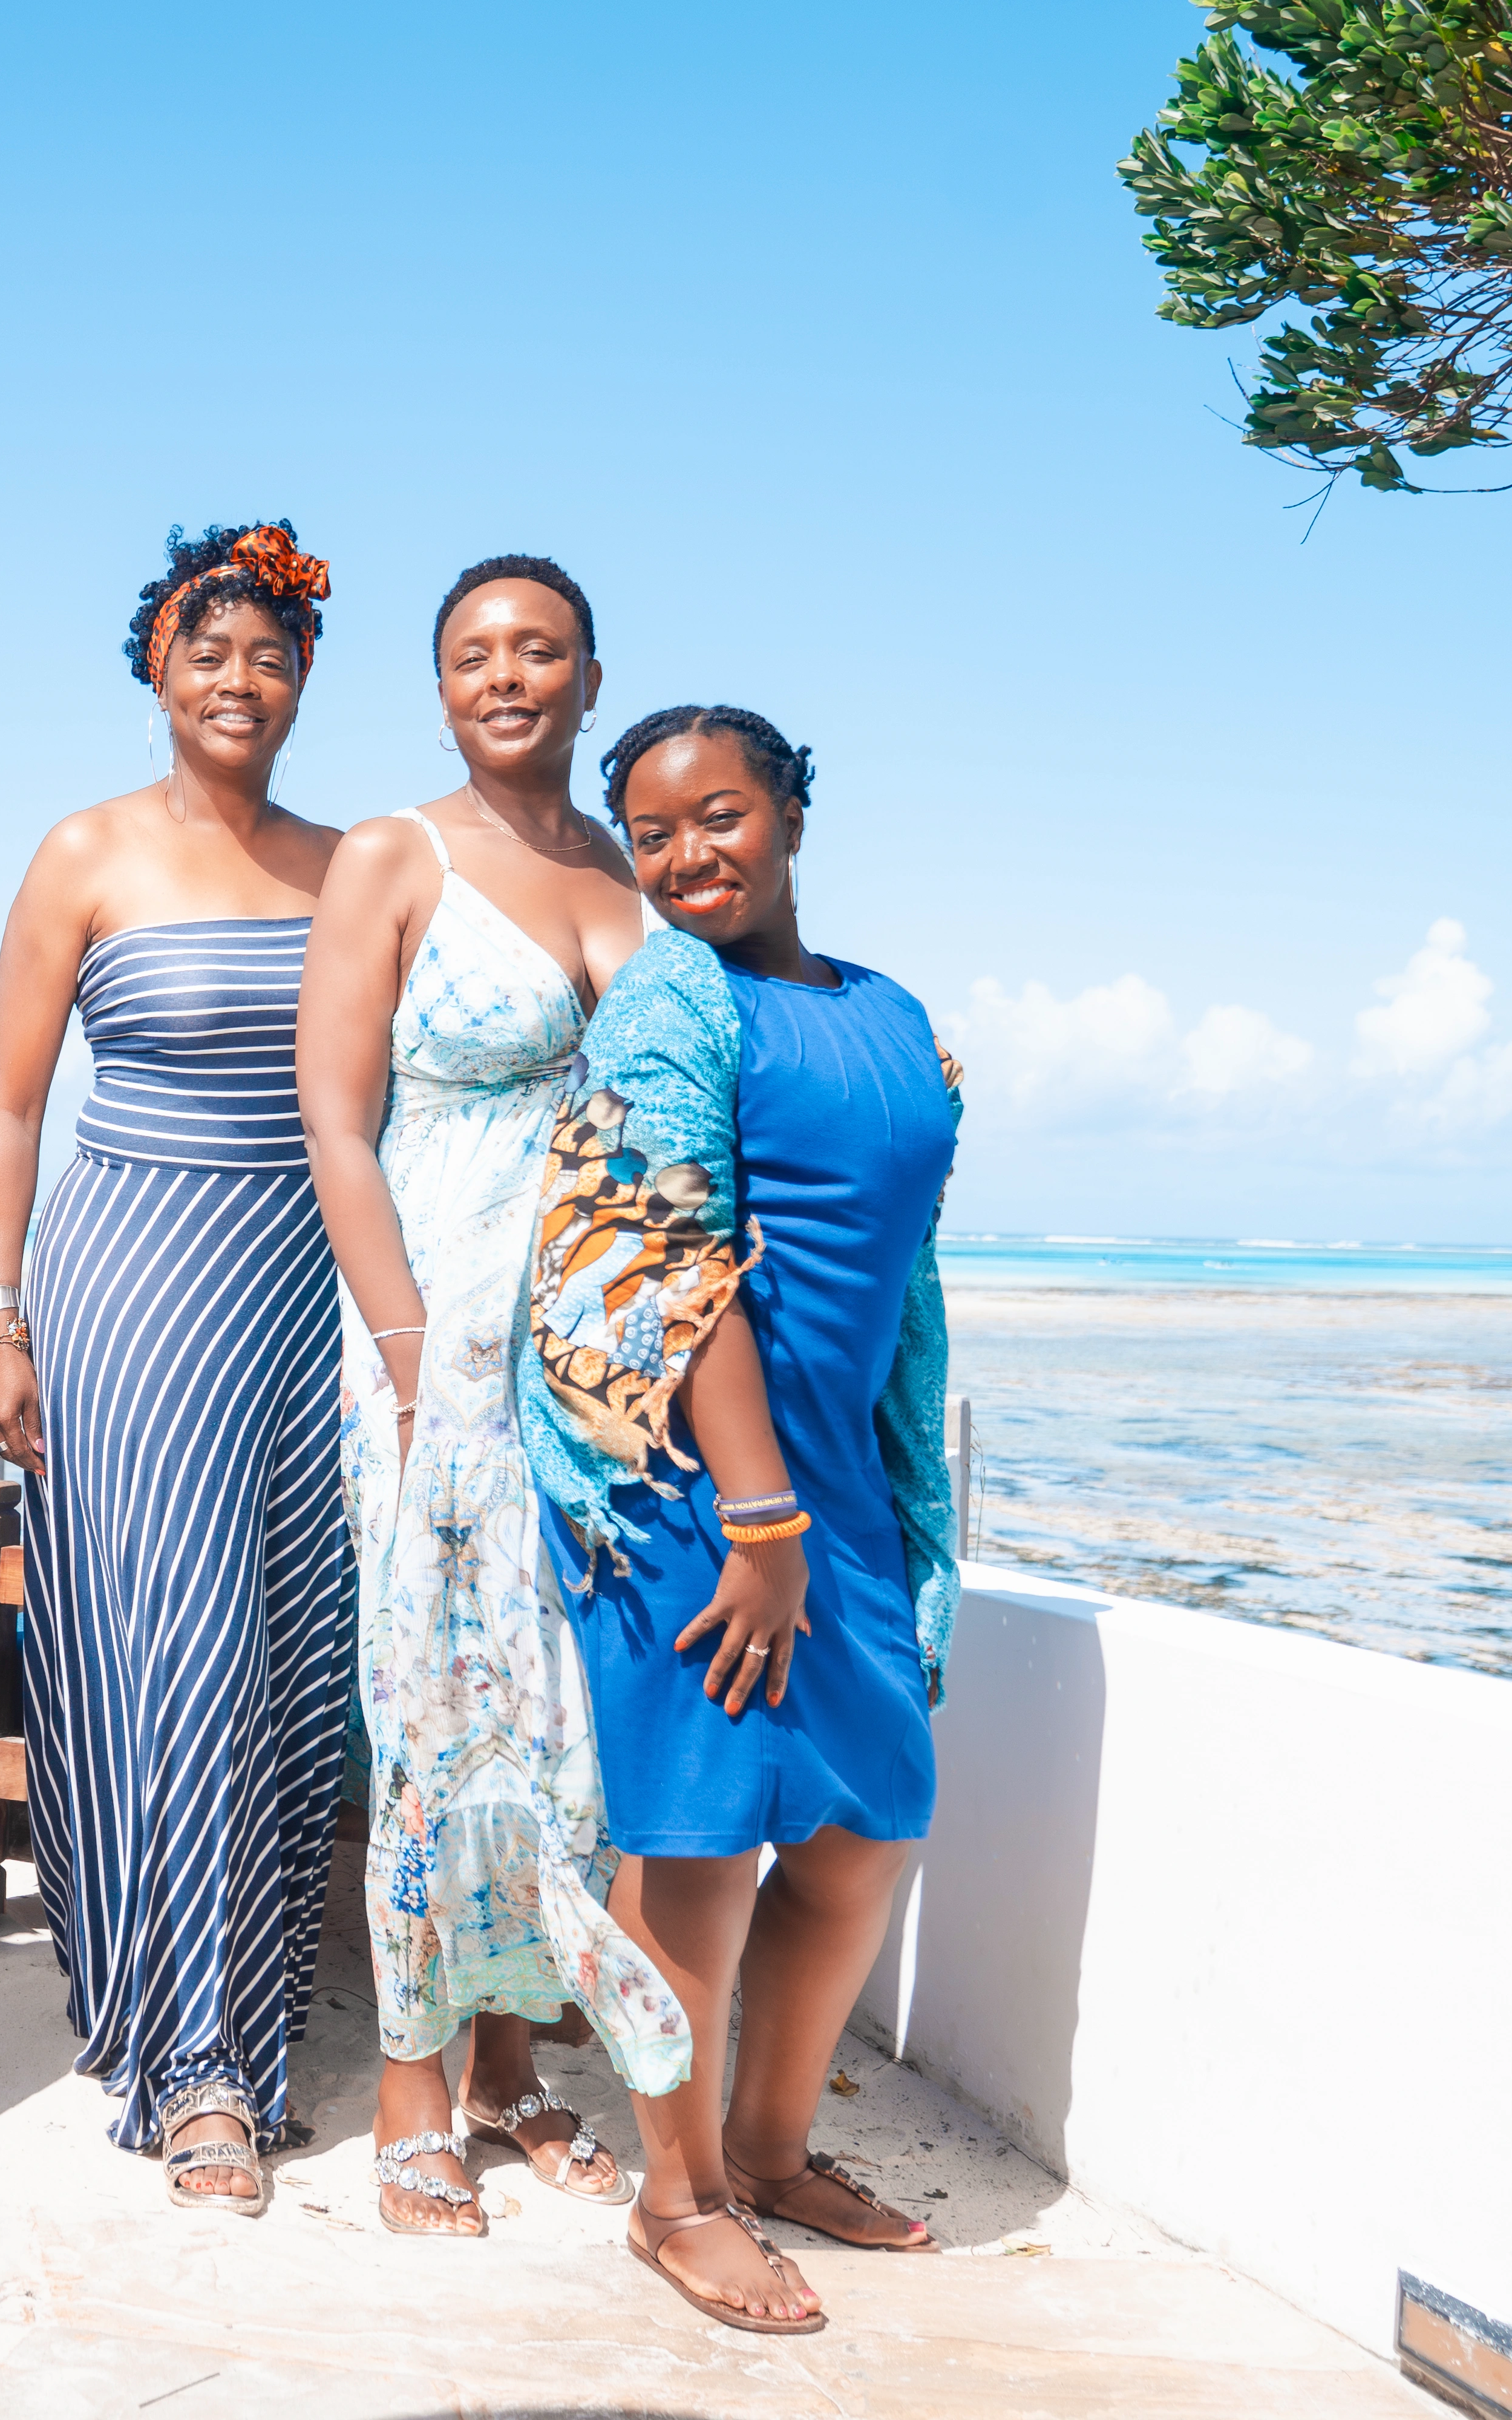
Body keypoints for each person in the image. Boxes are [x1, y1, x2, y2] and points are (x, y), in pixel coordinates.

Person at [519, 704, 961, 2329]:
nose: (687, 853)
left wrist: (861, 1499)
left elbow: (897, 1269)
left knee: (870, 1824)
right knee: (697, 1841)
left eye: (719, 815)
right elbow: (665, 1250)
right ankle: (677, 2195)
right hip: (686, 1478)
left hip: (832, 1475)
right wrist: (756, 1516)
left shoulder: (890, 1011)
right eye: (653, 831)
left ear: (788, 813)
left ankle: (771, 2151)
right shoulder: (667, 1003)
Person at [294, 557, 689, 2237]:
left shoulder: (630, 868)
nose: (507, 675)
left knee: (565, 1713)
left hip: (596, 1360)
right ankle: (408, 2087)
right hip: (435, 1341)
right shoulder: (399, 854)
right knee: (433, 1705)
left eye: (540, 650)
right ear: (441, 684)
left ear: (594, 677)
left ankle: (515, 2071)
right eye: (474, 654)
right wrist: (399, 1354)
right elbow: (333, 1116)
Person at [0, 521, 352, 2216]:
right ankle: (199, 2064)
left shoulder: (363, 863)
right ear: (156, 672)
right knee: (170, 1650)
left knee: (293, 1666)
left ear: (304, 678)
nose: (240, 680)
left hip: (306, 1294)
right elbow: (9, 1105)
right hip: (126, 1282)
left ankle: (238, 1996)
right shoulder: (85, 854)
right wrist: (0, 1317)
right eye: (210, 651)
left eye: (270, 655)